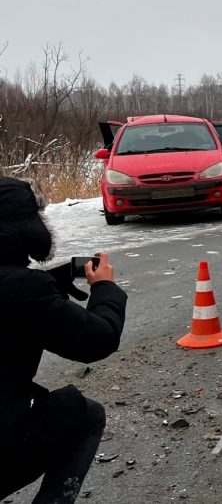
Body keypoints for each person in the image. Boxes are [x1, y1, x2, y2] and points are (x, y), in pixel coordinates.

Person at [0, 177, 127, 504]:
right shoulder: (24, 292)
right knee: (85, 415)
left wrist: (48, 281)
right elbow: (98, 340)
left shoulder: (23, 289)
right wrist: (105, 289)